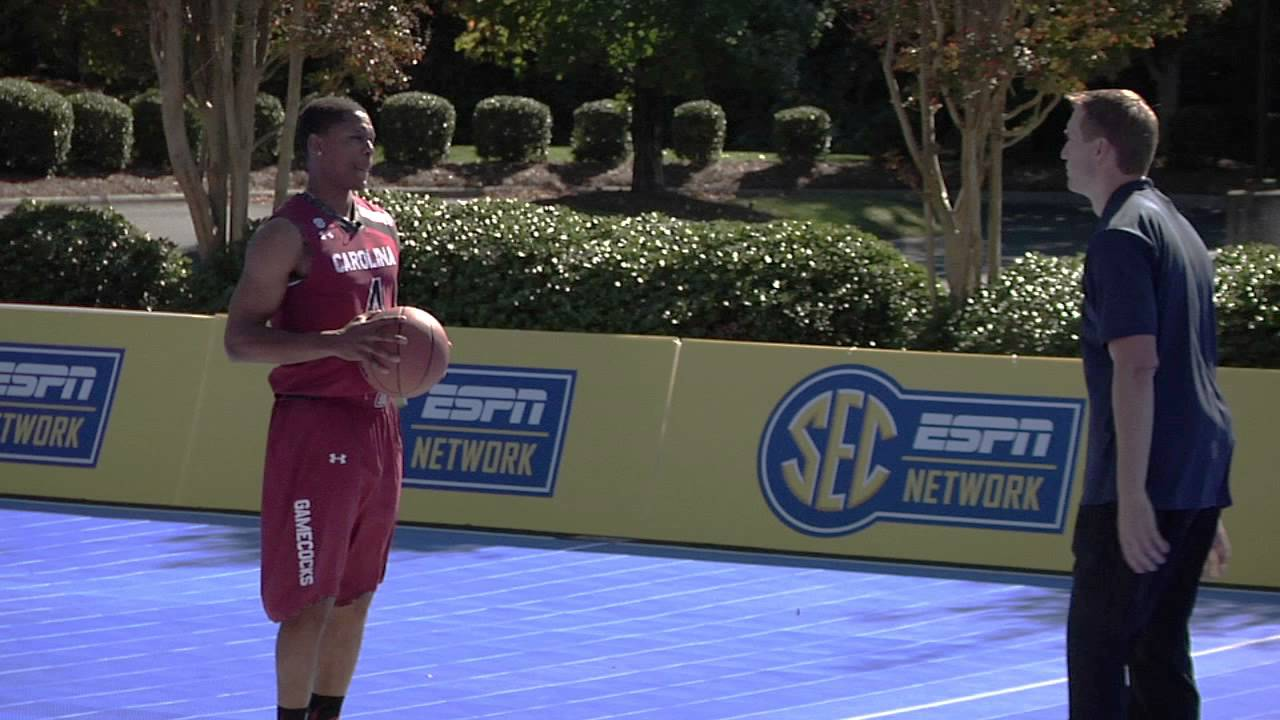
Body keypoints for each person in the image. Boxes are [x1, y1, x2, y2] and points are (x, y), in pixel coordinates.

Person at [224, 96, 406, 720]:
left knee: (358, 593)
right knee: (311, 598)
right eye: (355, 138)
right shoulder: (287, 234)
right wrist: (333, 345)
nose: (368, 150)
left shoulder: (382, 225)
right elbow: (240, 340)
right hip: (314, 422)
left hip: (378, 422)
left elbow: (385, 327)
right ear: (317, 147)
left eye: (371, 139)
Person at [1060, 88, 1235, 719]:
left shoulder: (1120, 237)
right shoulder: (1178, 227)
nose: (1063, 151)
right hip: (1193, 473)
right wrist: (1201, 497)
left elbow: (1138, 365)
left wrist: (1132, 496)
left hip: (1146, 481)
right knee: (1160, 652)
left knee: (1100, 655)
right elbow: (1198, 365)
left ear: (1101, 149)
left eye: (1071, 138)